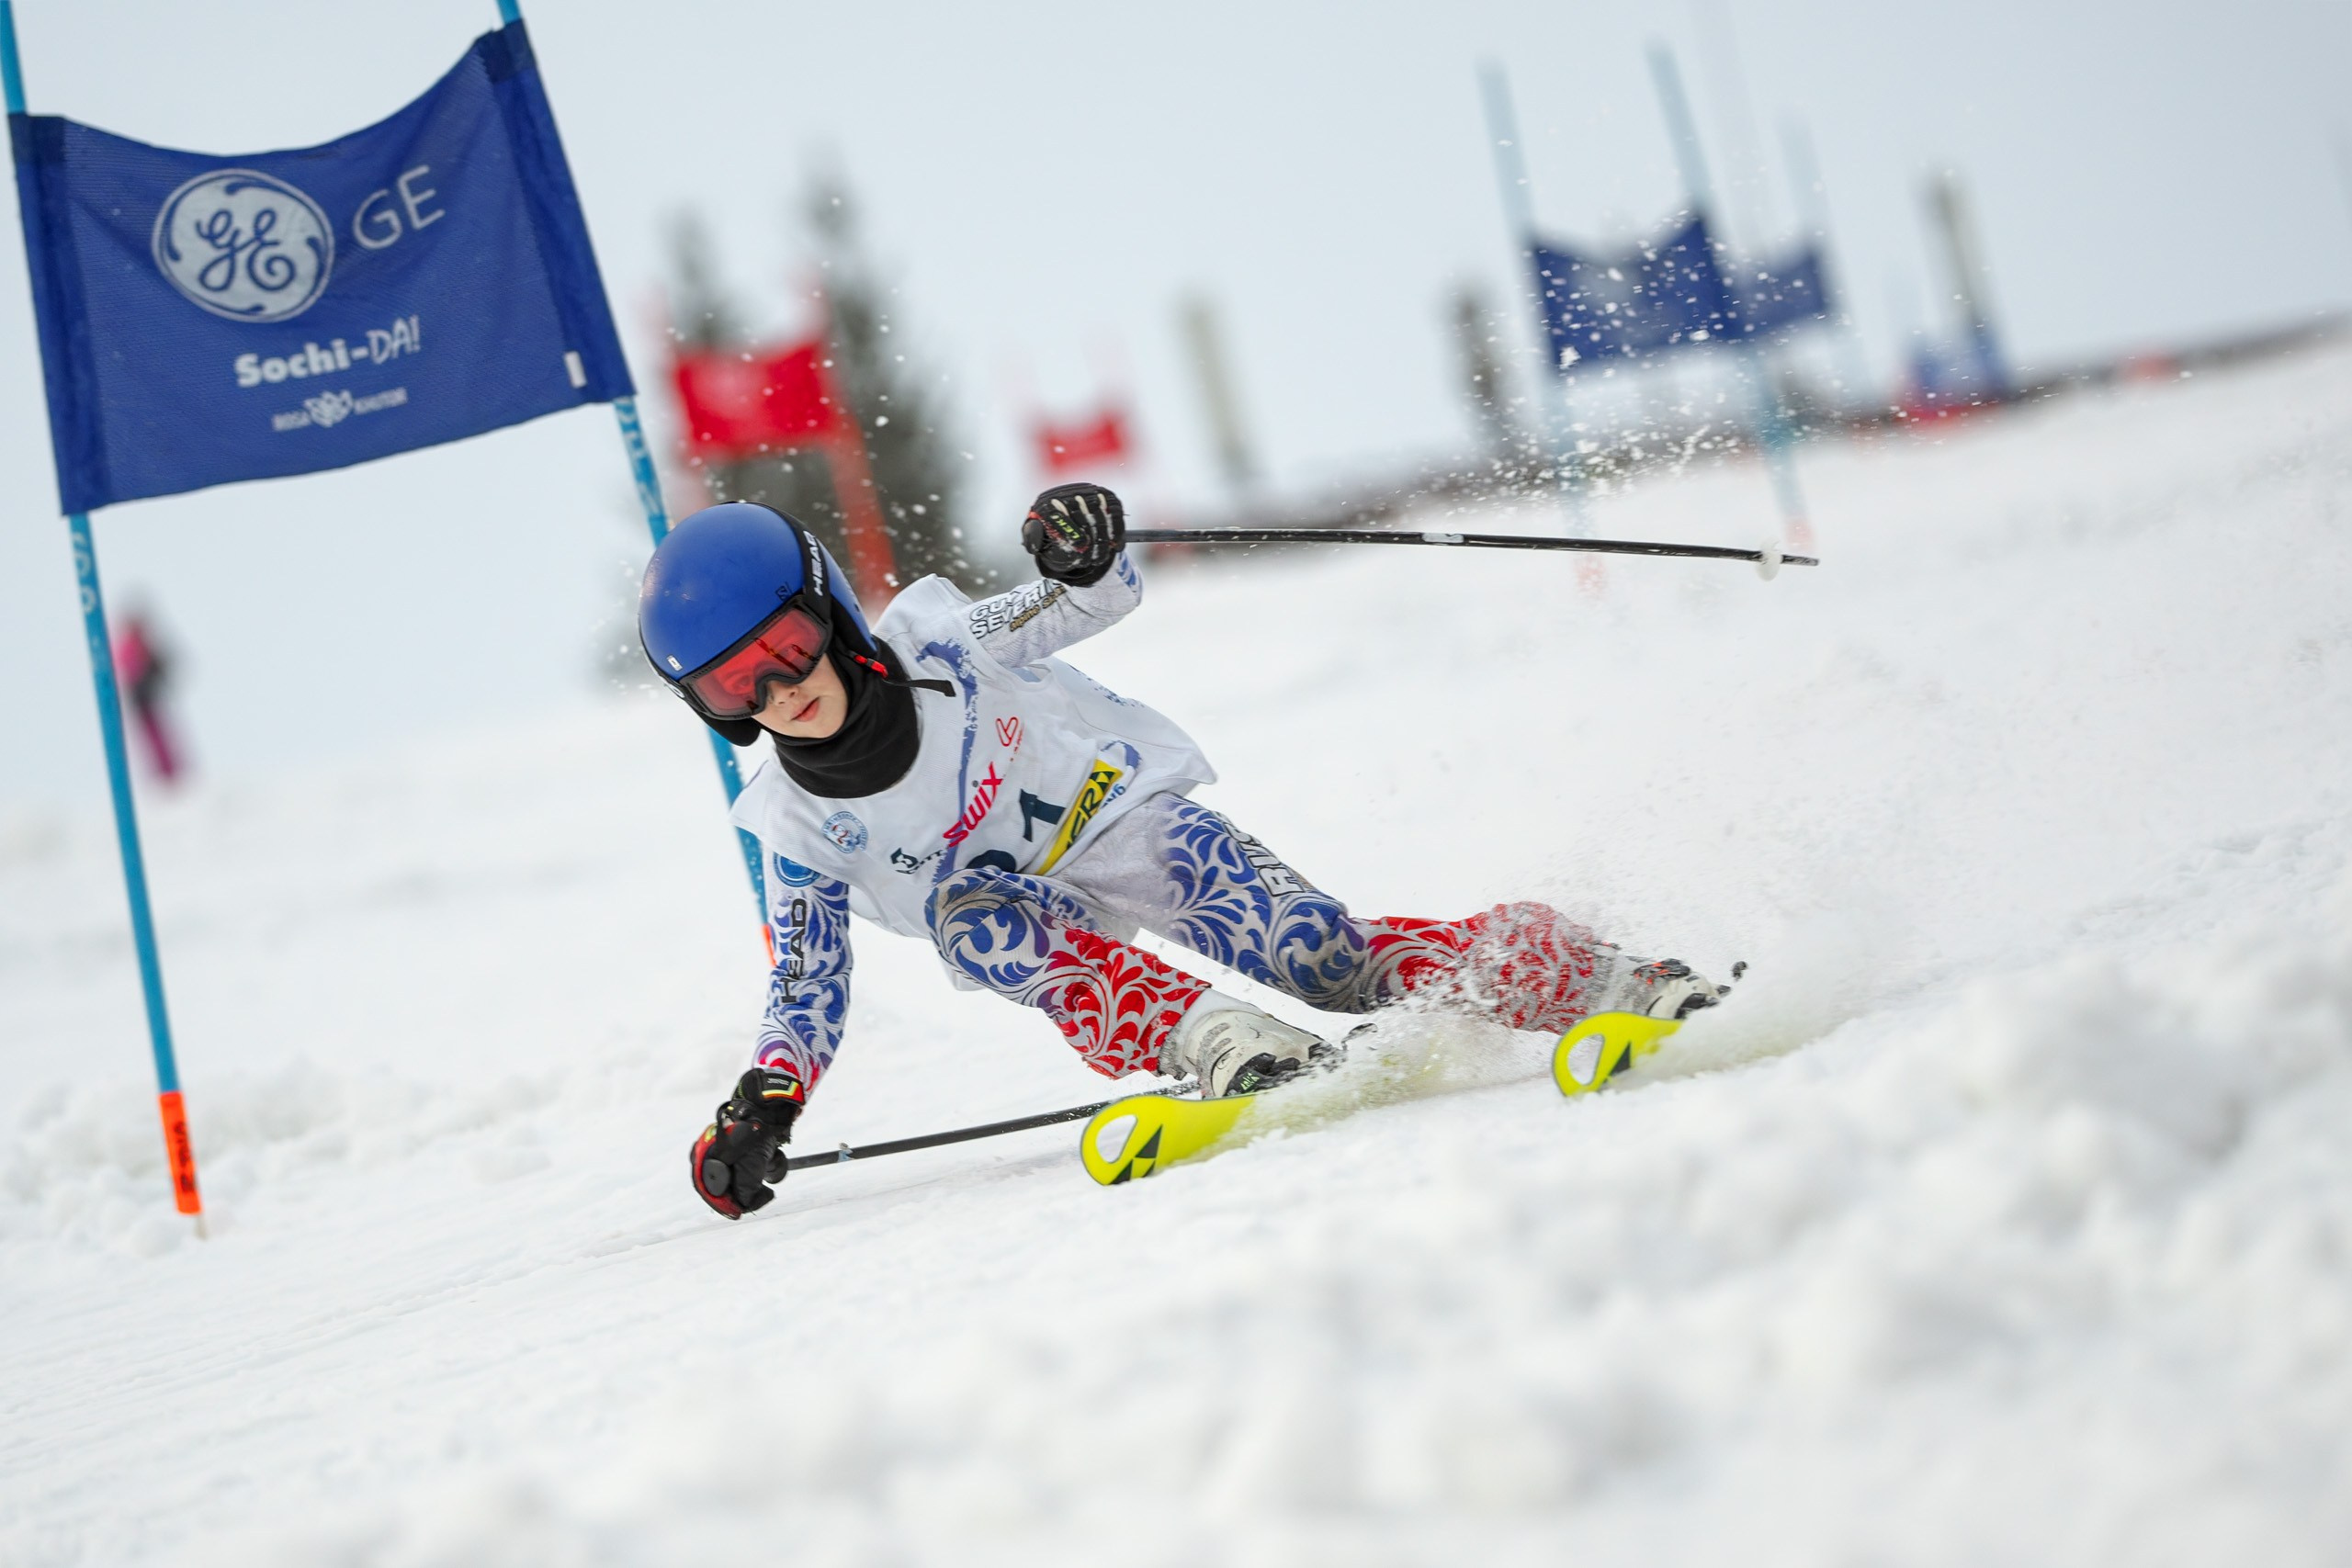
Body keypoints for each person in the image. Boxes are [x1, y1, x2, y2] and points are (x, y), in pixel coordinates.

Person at [640, 485, 1728, 1219]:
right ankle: (1227, 1048)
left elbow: (1089, 598)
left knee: (1325, 961)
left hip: (1126, 826)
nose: (783, 693)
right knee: (973, 925)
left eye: (785, 650)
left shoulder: (947, 645)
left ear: (827, 607)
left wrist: (1082, 548)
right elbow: (806, 983)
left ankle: (1597, 977)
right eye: (737, 687)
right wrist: (762, 1106)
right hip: (1026, 917)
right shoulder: (792, 823)